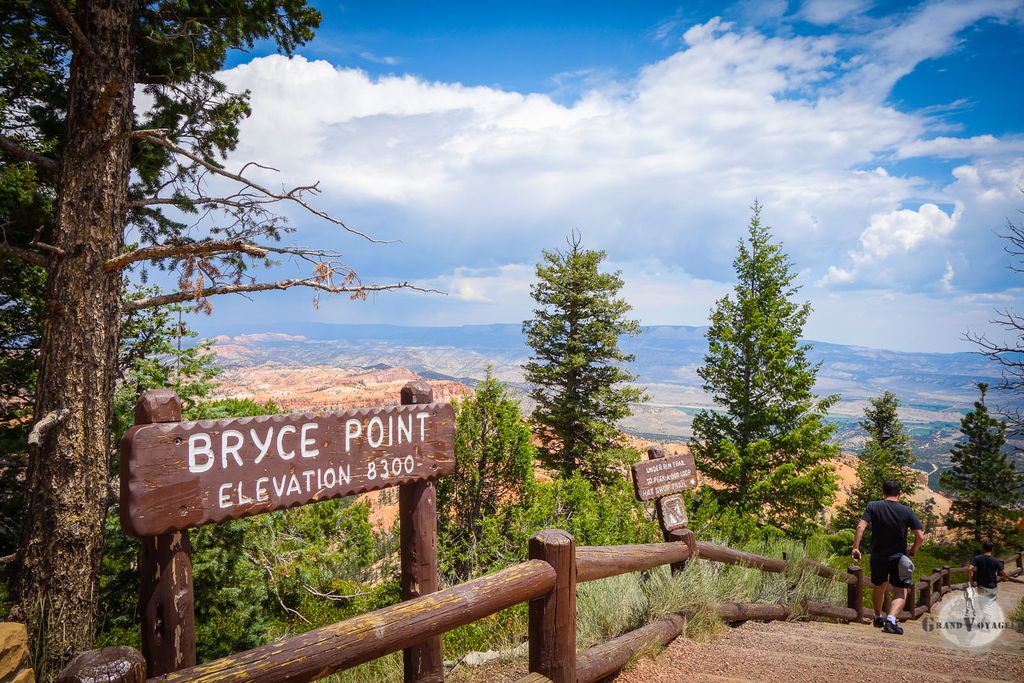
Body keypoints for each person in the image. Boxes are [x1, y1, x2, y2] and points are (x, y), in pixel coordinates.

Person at [851, 478, 925, 635]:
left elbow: (860, 526)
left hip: (878, 556)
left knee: (879, 587)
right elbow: (920, 537)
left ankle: (877, 616)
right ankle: (891, 620)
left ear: (883, 492)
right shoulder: (907, 511)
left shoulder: (873, 506)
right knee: (901, 590)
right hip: (899, 557)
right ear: (900, 493)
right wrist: (913, 550)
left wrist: (856, 548)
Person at [968, 541, 1009, 621]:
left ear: (983, 548)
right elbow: (1003, 572)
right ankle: (987, 619)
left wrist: (971, 580)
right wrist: (1005, 578)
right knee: (989, 603)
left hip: (981, 586)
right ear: (992, 549)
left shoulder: (977, 558)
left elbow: (969, 569)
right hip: (992, 586)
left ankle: (986, 620)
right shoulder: (996, 561)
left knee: (983, 603)